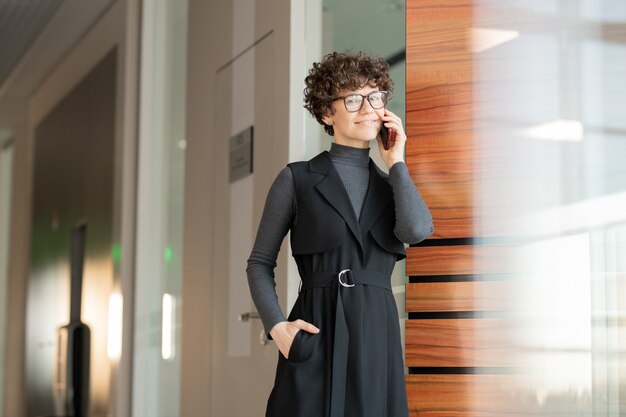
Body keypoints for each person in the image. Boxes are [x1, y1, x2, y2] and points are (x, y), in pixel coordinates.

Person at [246, 51, 434, 417]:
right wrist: (278, 328)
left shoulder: (392, 186)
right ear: (326, 113)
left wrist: (396, 162)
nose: (367, 107)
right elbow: (259, 264)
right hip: (316, 334)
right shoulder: (296, 179)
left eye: (375, 97)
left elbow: (416, 231)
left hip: (376, 340)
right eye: (352, 99)